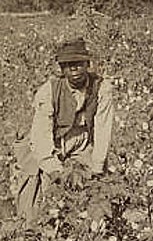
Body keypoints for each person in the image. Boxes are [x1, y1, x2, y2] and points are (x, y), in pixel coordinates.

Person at [9, 38, 114, 225]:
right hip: (49, 143)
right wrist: (54, 170)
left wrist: (97, 167)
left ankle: (83, 230)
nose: (74, 70)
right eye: (68, 66)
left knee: (90, 190)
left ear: (87, 65)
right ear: (62, 69)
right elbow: (41, 135)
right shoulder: (48, 91)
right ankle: (30, 230)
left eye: (78, 64)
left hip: (81, 143)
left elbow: (103, 128)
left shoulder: (101, 88)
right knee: (33, 194)